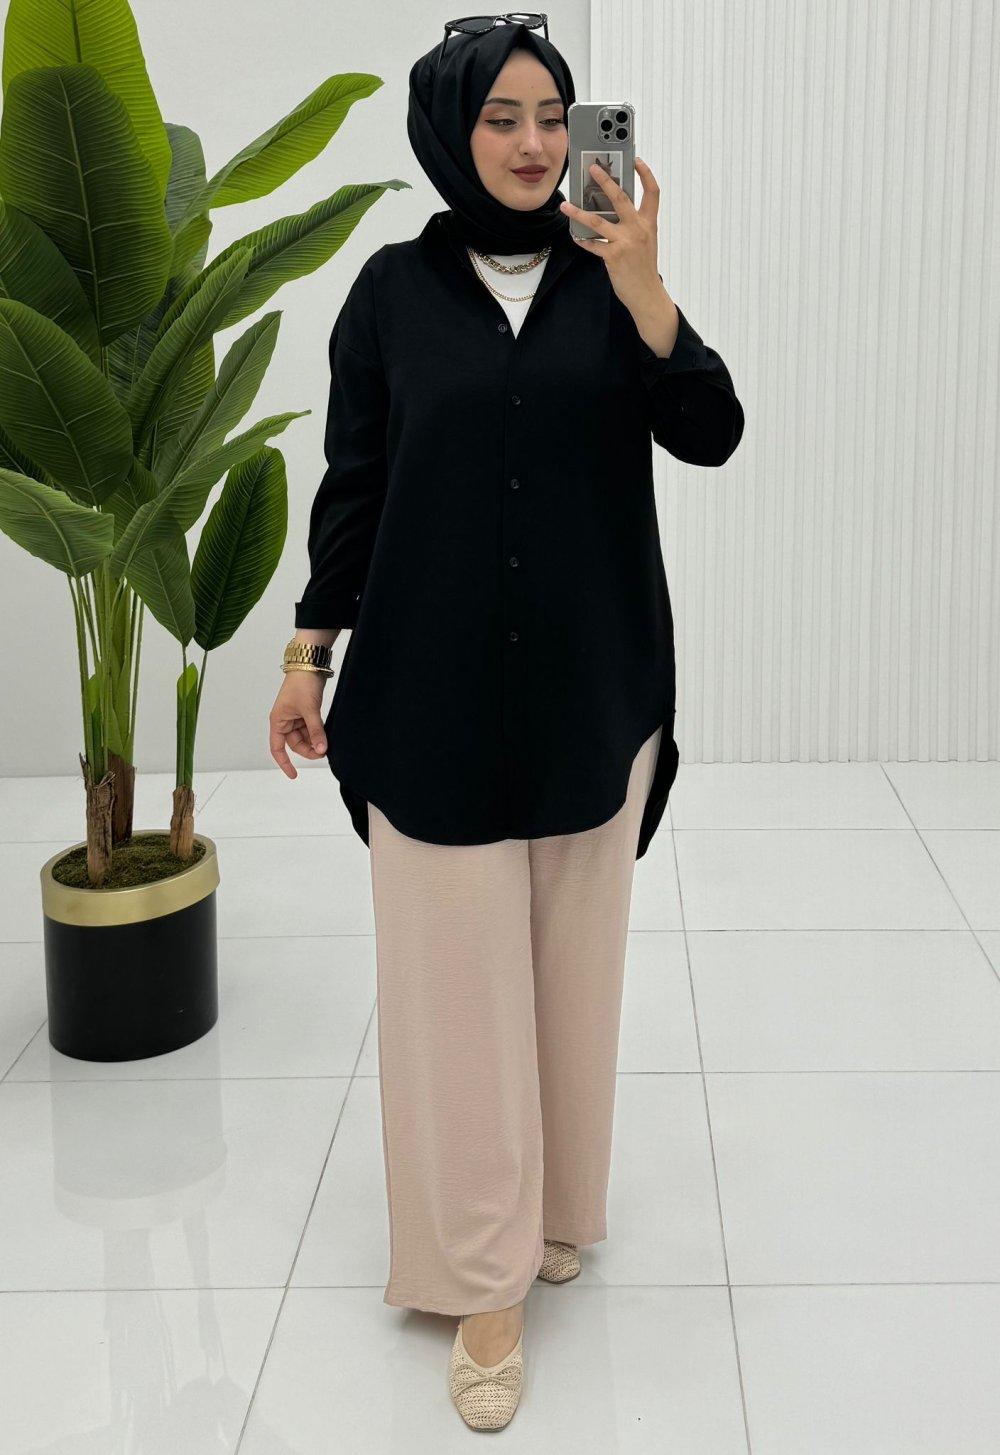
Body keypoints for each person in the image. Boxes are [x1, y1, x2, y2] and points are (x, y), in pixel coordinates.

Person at [269, 17, 744, 1431]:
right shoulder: (390, 295)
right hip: (430, 696)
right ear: (450, 130)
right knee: (455, 997)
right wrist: (308, 654)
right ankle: (481, 1280)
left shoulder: (612, 282)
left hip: (592, 687)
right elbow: (356, 487)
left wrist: (647, 288)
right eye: (502, 118)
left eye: (554, 115)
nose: (536, 144)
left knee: (570, 974)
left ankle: (553, 1210)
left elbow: (710, 431)